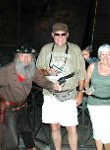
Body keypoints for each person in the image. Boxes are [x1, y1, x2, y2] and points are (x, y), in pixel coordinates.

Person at [0, 44, 62, 150]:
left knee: (27, 130)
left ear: (32, 57)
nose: (26, 59)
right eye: (22, 55)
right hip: (8, 109)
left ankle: (31, 148)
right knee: (11, 141)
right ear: (17, 57)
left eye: (29, 56)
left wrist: (53, 85)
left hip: (23, 106)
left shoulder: (33, 69)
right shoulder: (7, 70)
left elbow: (42, 81)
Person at [36, 22, 86, 150]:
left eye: (63, 34)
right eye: (57, 34)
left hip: (69, 95)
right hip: (50, 95)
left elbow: (82, 73)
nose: (60, 37)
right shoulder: (46, 49)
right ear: (52, 35)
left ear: (67, 35)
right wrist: (47, 71)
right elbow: (37, 71)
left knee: (71, 127)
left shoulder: (75, 49)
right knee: (54, 127)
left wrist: (80, 93)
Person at [84, 44, 110, 150]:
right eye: (103, 54)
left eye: (108, 54)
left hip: (109, 104)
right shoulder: (92, 66)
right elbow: (86, 81)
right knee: (97, 130)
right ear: (99, 55)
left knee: (107, 132)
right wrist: (87, 89)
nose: (105, 57)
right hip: (93, 103)